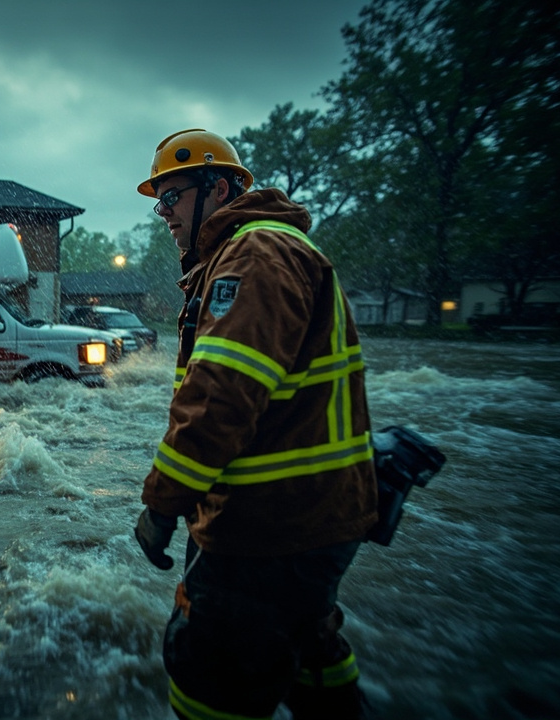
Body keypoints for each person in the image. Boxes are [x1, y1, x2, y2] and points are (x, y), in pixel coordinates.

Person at [132, 128, 379, 720]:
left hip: (267, 527)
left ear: (217, 188)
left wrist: (163, 504)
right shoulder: (255, 252)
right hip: (306, 517)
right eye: (158, 201)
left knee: (209, 675)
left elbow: (219, 400)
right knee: (309, 648)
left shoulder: (255, 255)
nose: (162, 214)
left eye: (172, 198)